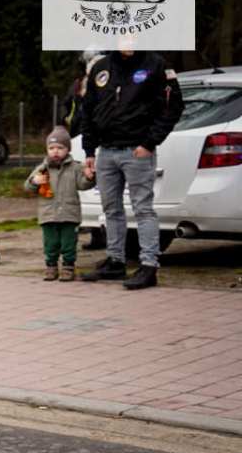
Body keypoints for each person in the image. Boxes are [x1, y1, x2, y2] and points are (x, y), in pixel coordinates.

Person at [79, 42, 181, 289]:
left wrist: (149, 142)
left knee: (143, 209)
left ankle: (149, 265)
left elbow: (173, 107)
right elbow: (88, 109)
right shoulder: (101, 67)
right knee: (110, 209)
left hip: (137, 150)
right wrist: (89, 150)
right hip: (106, 152)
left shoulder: (156, 64)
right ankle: (115, 261)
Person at [25, 126, 95, 281]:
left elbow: (82, 185)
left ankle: (68, 266)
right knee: (50, 243)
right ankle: (51, 266)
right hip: (48, 214)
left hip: (69, 213)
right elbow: (28, 187)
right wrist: (34, 181)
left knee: (68, 243)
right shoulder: (42, 168)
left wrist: (90, 178)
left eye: (60, 148)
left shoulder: (76, 167)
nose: (55, 151)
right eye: (51, 148)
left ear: (68, 149)